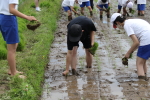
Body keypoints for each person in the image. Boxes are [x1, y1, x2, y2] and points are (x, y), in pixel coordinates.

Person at [0, 0, 37, 78]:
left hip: (2, 17)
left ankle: (11, 69)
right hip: (9, 18)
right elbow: (12, 9)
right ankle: (13, 73)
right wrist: (27, 17)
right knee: (11, 48)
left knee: (14, 44)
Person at [110, 13, 150, 81]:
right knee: (143, 61)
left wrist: (128, 53)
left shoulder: (127, 25)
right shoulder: (132, 21)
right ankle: (145, 76)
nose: (118, 26)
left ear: (117, 22)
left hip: (146, 40)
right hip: (147, 39)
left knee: (139, 63)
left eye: (116, 25)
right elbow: (138, 42)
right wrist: (131, 51)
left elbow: (136, 42)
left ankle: (142, 83)